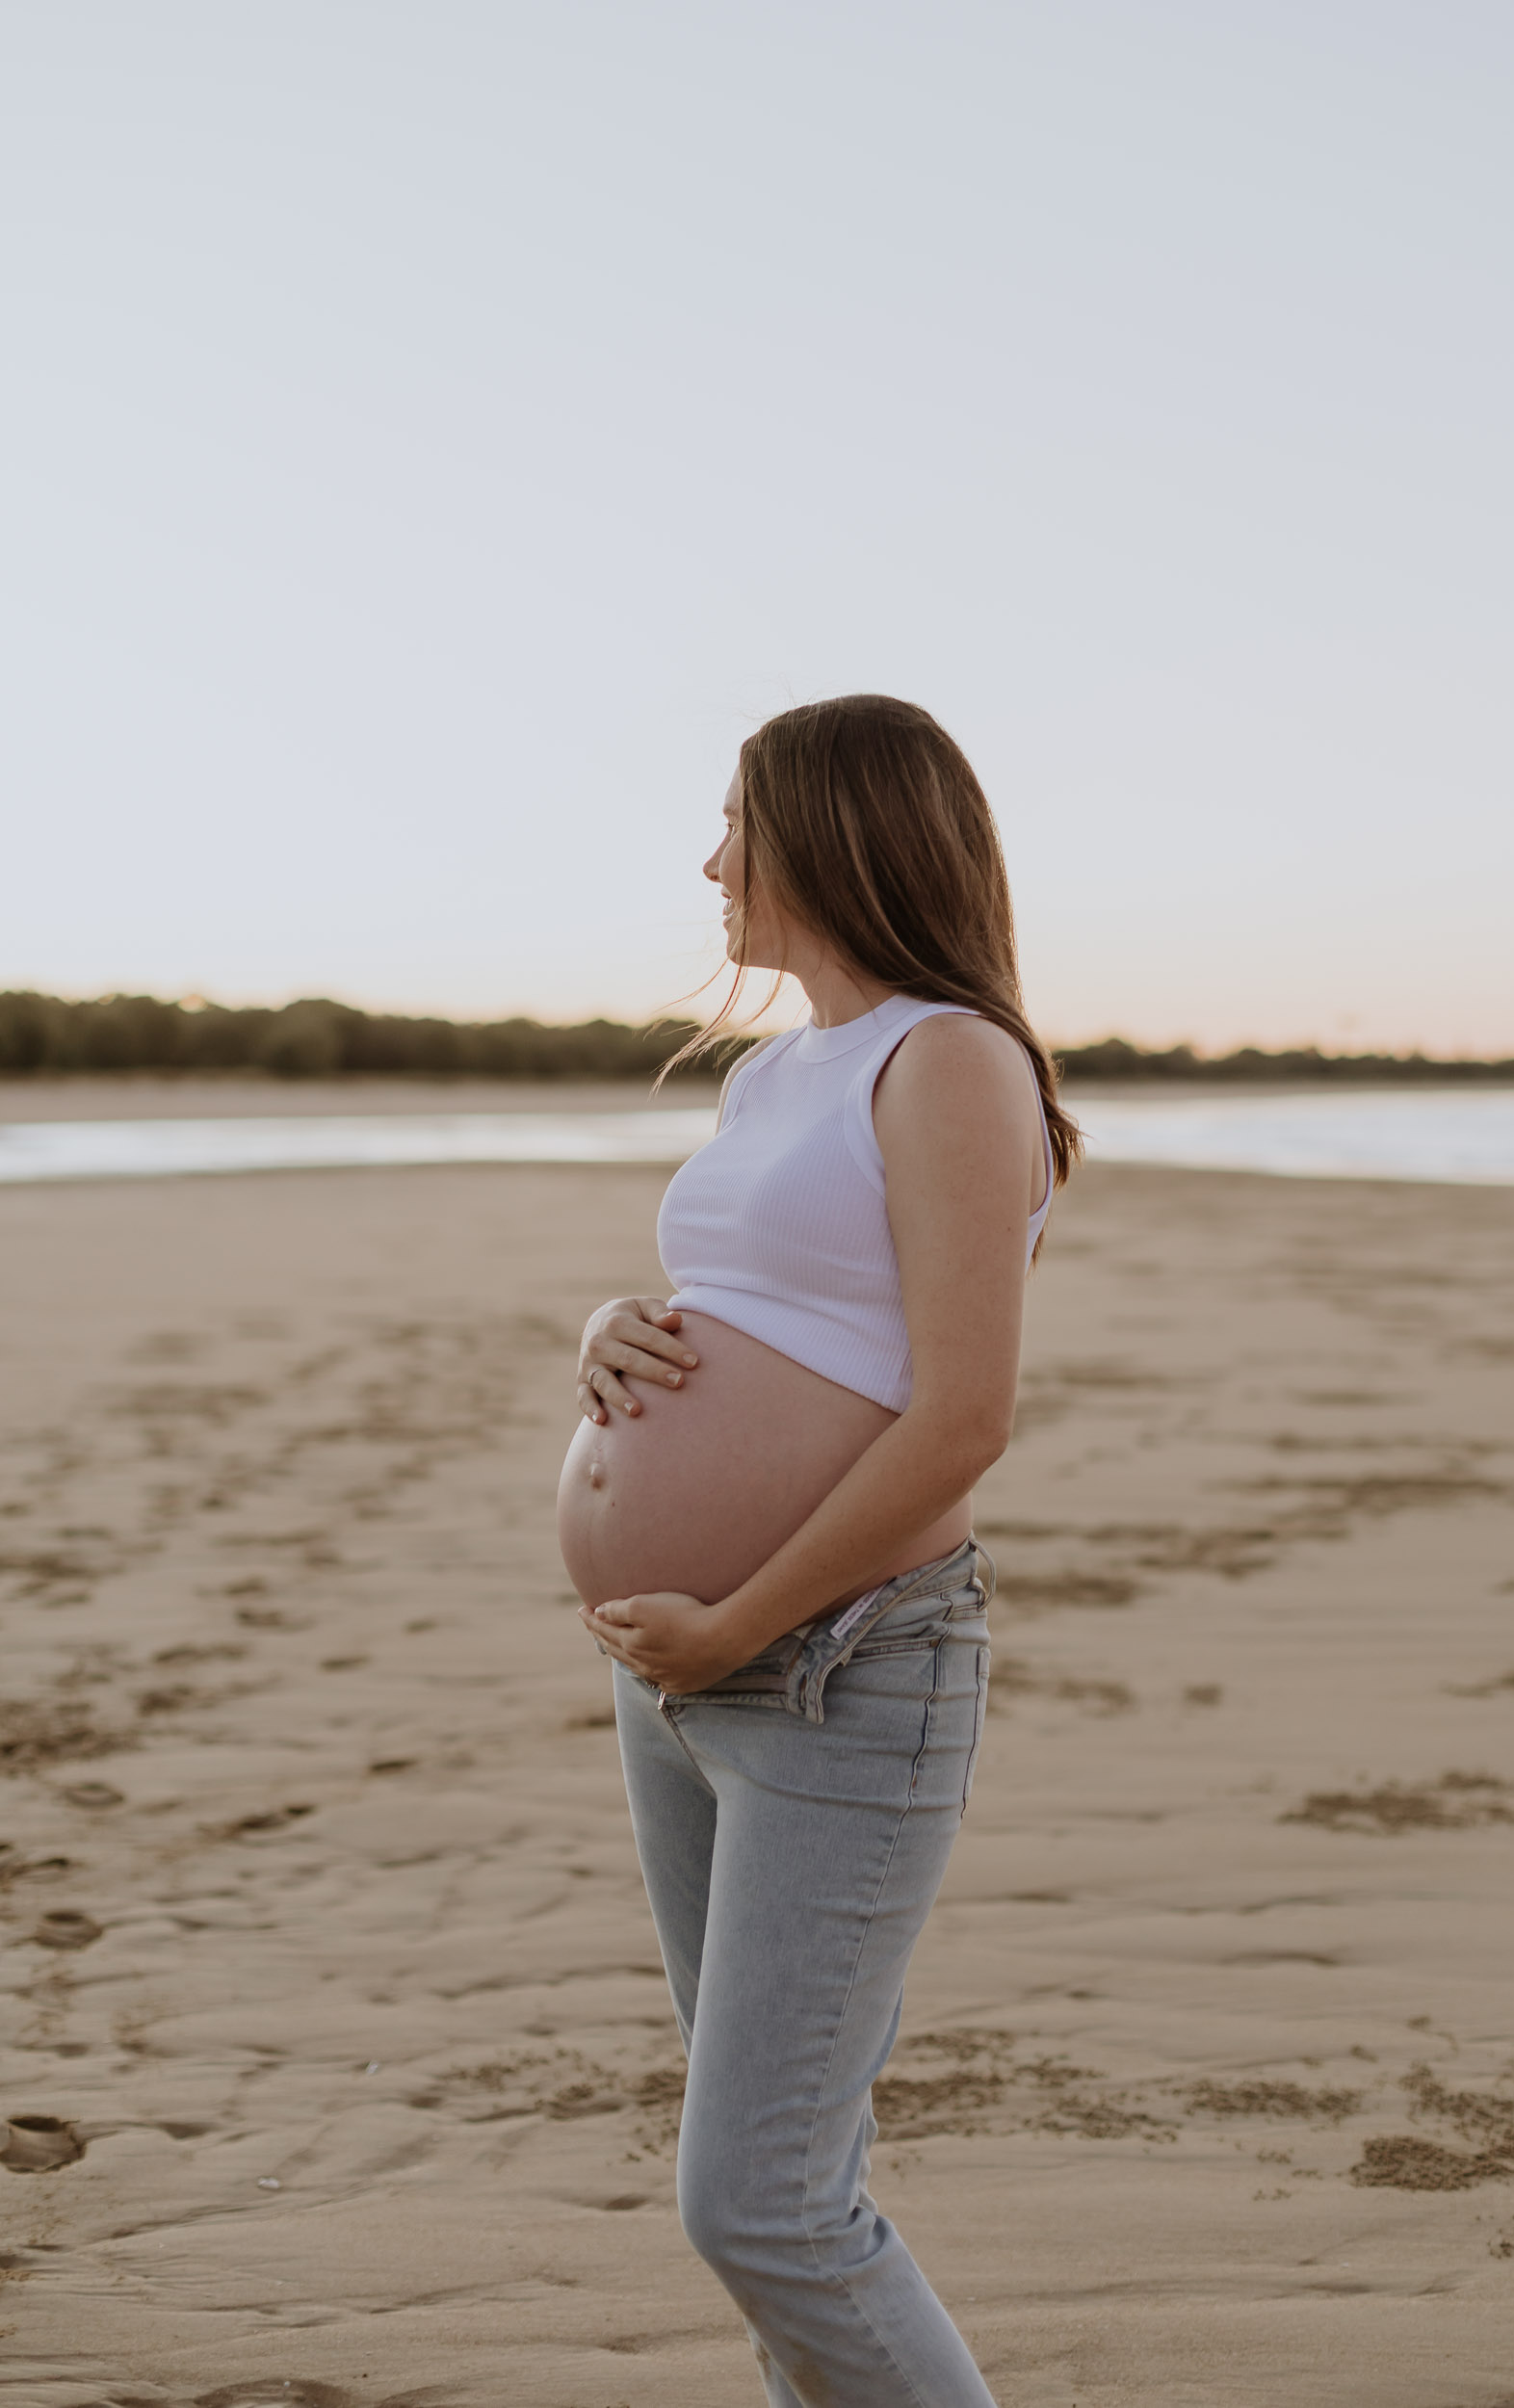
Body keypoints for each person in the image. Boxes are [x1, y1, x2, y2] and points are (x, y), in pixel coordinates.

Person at [557, 694, 1077, 2407]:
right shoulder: (782, 1069)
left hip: (842, 1665)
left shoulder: (950, 1061)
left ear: (841, 834)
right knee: (783, 2177)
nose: (713, 861)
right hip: (689, 1675)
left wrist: (741, 1623)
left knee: (764, 2208)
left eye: (739, 822)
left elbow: (962, 1417)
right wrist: (617, 1333)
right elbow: (776, 1304)